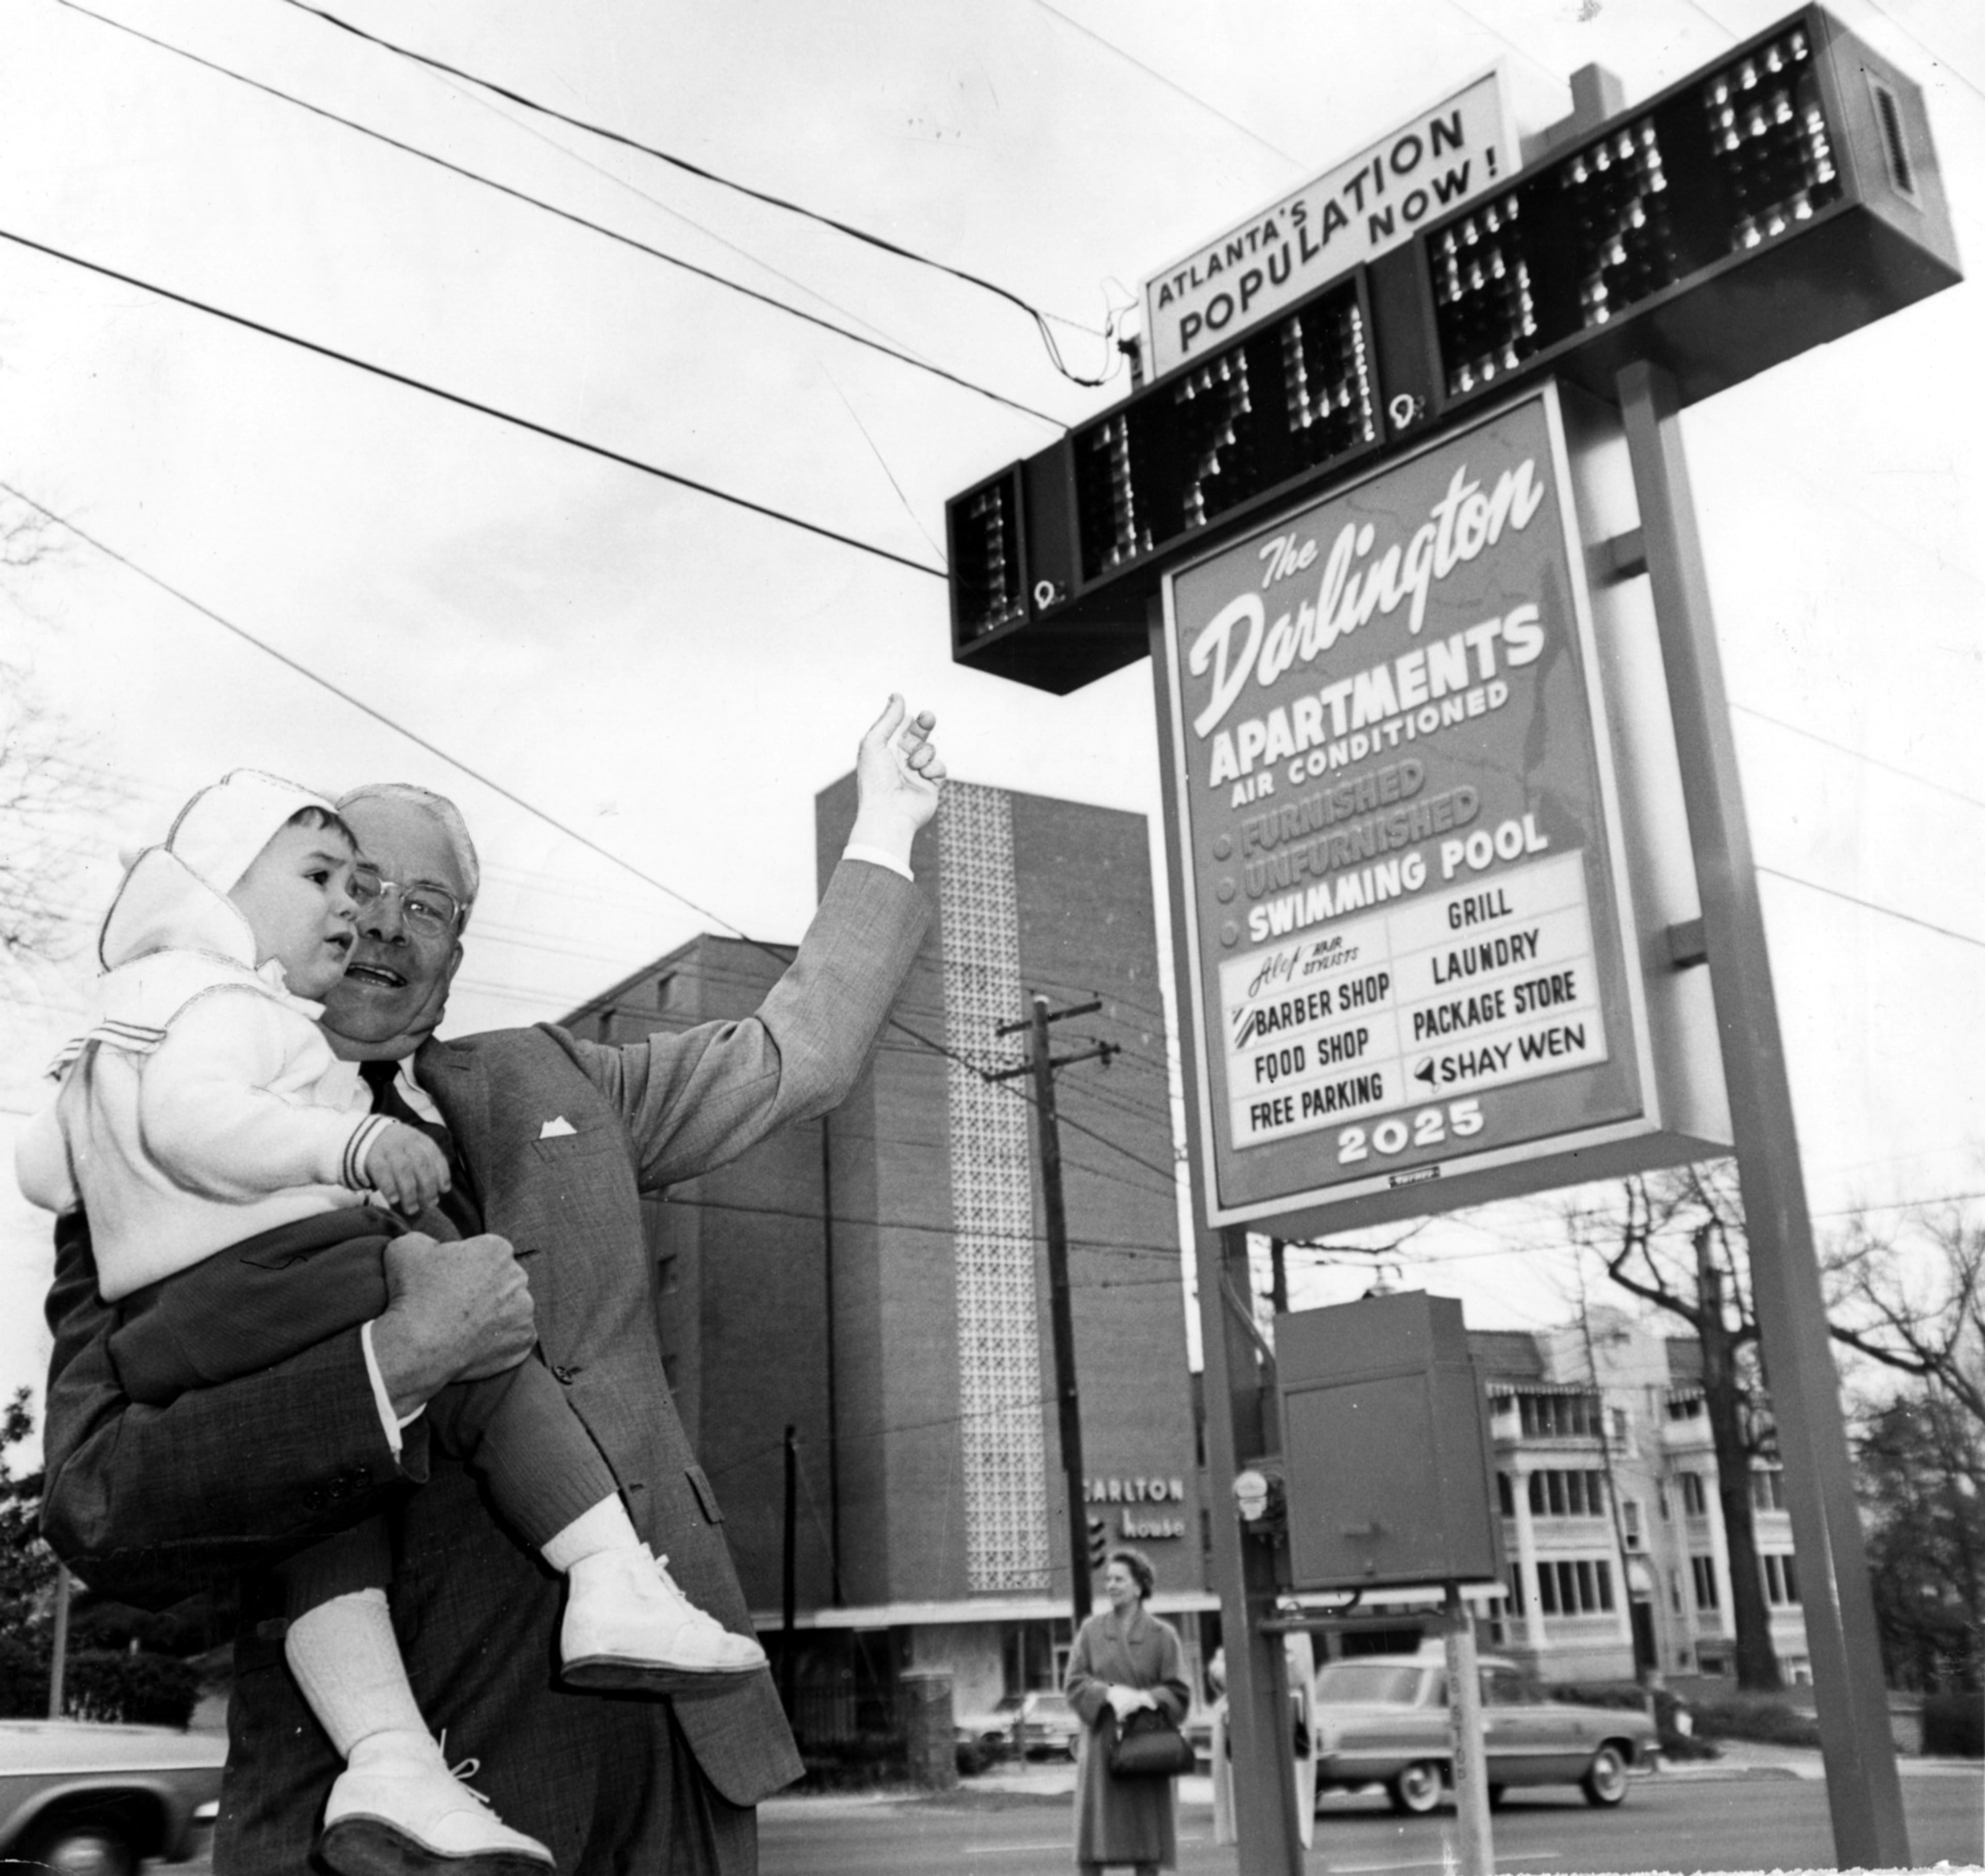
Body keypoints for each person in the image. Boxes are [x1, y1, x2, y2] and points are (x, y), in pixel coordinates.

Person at [39, 697, 945, 1875]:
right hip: (376, 1807)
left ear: (457, 955)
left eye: (428, 907)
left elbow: (794, 1057)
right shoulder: (148, 1156)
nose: (385, 925)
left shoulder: (549, 1078)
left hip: (663, 1764)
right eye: (357, 886)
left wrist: (886, 821)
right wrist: (391, 1366)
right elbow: (101, 1507)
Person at [1064, 1547, 1192, 1876]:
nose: (1111, 1585)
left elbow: (1179, 1691)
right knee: (1093, 1846)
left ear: (1139, 1587)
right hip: (1102, 1748)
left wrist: (1147, 1699)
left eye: (1120, 1579)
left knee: (1146, 1845)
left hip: (1147, 1746)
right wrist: (1108, 1694)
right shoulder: (1092, 1632)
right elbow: (1074, 1683)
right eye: (1108, 1579)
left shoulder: (1163, 1637)